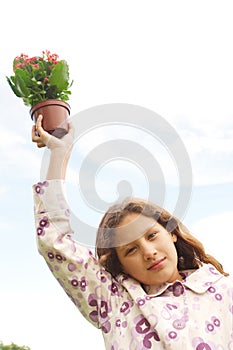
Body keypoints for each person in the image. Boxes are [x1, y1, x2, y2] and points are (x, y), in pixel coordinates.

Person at [32, 115, 233, 350]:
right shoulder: (115, 302)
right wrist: (59, 153)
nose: (148, 252)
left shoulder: (224, 291)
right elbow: (55, 242)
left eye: (151, 235)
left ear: (171, 233)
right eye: (131, 249)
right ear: (121, 265)